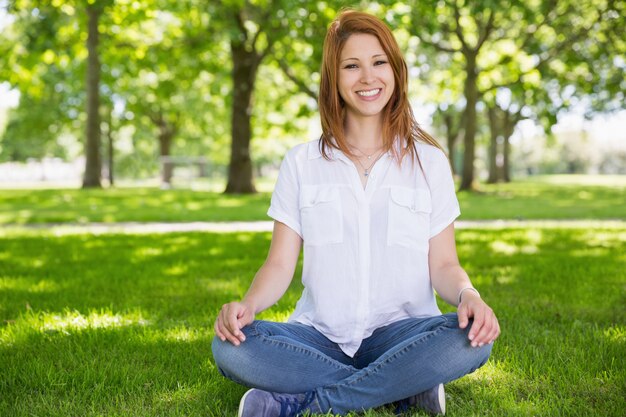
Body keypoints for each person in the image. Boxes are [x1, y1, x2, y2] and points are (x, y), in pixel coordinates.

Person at [212, 9, 500, 417]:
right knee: (229, 347)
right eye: (352, 66)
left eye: (378, 62)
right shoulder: (301, 162)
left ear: (396, 71)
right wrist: (248, 308)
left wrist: (470, 296)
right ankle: (404, 386)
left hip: (403, 334)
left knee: (473, 337)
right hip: (318, 335)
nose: (368, 78)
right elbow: (278, 264)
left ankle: (309, 402)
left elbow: (444, 264)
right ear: (334, 78)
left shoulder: (429, 163)